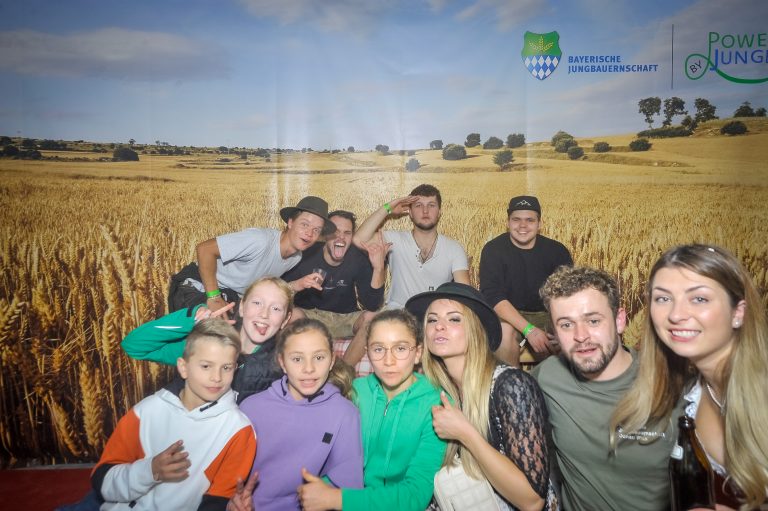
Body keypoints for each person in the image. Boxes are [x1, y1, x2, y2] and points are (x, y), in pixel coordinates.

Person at [610, 244, 768, 510]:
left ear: (738, 312)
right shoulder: (697, 391)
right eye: (663, 298)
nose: (676, 314)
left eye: (699, 299)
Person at [534, 265, 679, 511]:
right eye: (566, 325)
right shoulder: (548, 377)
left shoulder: (672, 384)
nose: (581, 336)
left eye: (593, 321)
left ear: (620, 320)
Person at [406, 282, 557, 511]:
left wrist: (465, 433)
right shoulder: (431, 391)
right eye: (432, 320)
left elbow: (532, 501)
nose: (439, 326)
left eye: (454, 319)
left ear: (476, 330)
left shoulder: (511, 386)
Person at [92, 319, 256, 510]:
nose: (217, 377)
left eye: (226, 368)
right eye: (206, 366)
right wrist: (150, 471)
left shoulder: (239, 430)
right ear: (183, 367)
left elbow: (217, 502)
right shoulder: (145, 412)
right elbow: (101, 483)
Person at [297, 309, 447, 511]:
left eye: (400, 348)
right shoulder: (355, 392)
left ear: (418, 353)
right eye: (378, 349)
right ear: (367, 352)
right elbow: (333, 461)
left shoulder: (437, 404)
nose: (388, 361)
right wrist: (319, 488)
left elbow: (415, 495)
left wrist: (336, 499)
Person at [236, 319, 363, 511]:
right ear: (282, 362)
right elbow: (226, 480)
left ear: (331, 361)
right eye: (297, 359)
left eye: (319, 357)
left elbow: (347, 487)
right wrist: (232, 501)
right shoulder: (250, 408)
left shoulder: (345, 414)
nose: (309, 368)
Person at [123, 276, 294, 403]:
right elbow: (134, 345)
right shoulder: (207, 344)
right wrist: (191, 319)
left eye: (276, 308)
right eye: (257, 303)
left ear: (285, 320)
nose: (264, 314)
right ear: (242, 307)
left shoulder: (282, 368)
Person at [168, 196, 335, 314]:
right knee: (215, 332)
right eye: (304, 224)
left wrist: (298, 284)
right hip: (197, 286)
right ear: (290, 222)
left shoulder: (295, 257)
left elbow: (262, 288)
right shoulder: (260, 240)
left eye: (316, 230)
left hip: (231, 297)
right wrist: (214, 297)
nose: (309, 233)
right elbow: (204, 249)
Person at [282, 210, 388, 375]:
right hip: (310, 316)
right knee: (292, 314)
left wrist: (378, 268)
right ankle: (294, 371)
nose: (341, 238)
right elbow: (281, 292)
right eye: (335, 232)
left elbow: (372, 304)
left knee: (372, 318)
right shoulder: (305, 254)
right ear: (325, 234)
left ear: (352, 237)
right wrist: (298, 285)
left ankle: (341, 374)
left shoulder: (357, 258)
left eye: (347, 233)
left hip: (345, 318)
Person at [479, 195, 572, 367]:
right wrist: (529, 330)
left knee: (567, 333)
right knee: (503, 333)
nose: (523, 225)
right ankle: (511, 383)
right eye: (516, 220)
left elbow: (567, 295)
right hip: (509, 315)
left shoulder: (557, 251)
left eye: (530, 220)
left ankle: (554, 382)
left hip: (548, 314)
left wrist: (562, 327)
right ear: (508, 223)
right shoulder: (493, 250)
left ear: (539, 224)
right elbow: (493, 296)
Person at [353, 184, 470, 309]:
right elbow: (359, 239)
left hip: (434, 315)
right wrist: (388, 208)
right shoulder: (395, 240)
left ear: (439, 212)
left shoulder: (454, 249)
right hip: (397, 314)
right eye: (418, 205)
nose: (425, 211)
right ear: (410, 212)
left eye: (431, 205)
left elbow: (465, 295)